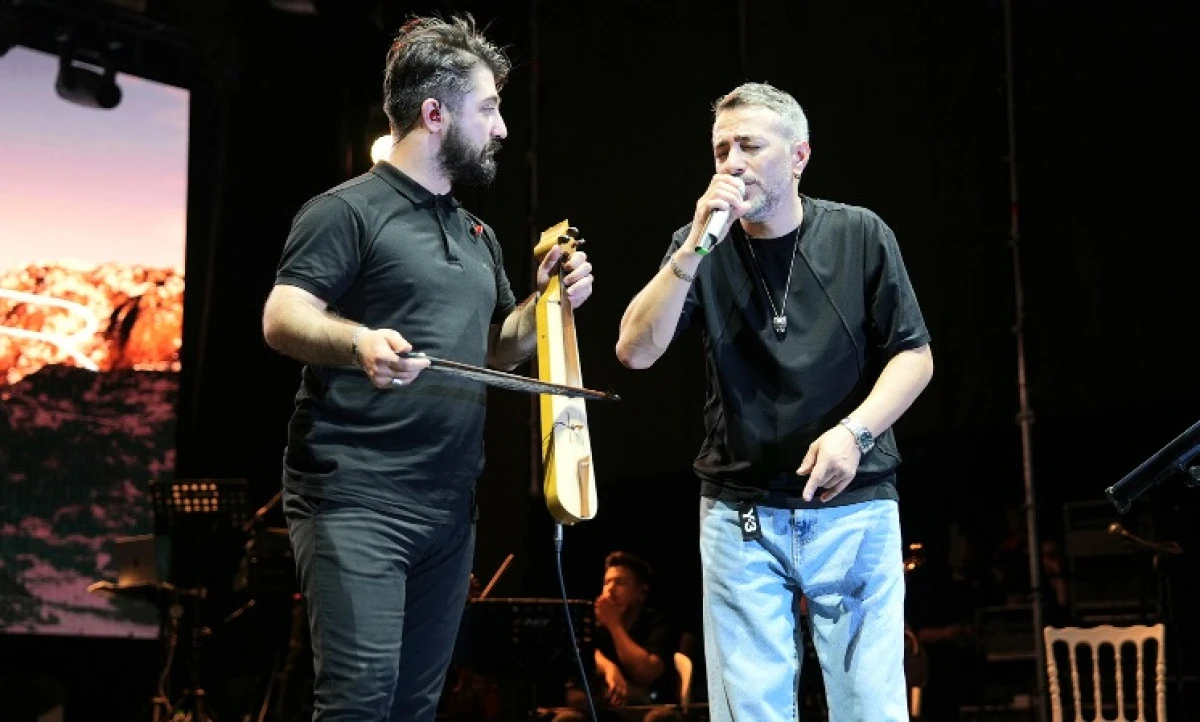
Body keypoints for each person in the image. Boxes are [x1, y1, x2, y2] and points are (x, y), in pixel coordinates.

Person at [261, 14, 594, 722]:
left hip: (449, 503)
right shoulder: (347, 211)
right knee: (360, 701)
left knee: (415, 707)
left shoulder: (477, 235)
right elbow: (282, 316)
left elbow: (494, 347)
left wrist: (545, 304)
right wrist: (359, 342)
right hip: (356, 497)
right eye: (489, 109)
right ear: (435, 115)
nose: (502, 128)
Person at [615, 82, 934, 721]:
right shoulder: (698, 245)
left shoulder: (858, 233)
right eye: (721, 150)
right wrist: (692, 248)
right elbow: (635, 351)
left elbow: (914, 356)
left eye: (750, 146)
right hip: (741, 511)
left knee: (870, 708)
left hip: (853, 506)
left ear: (798, 157)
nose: (731, 164)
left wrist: (855, 433)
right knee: (748, 711)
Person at [553, 552, 681, 722]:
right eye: (607, 582)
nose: (610, 589)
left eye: (620, 583)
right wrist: (609, 668)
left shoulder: (658, 623)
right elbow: (576, 678)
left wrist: (614, 625)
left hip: (647, 709)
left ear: (641, 593)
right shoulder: (592, 625)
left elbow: (645, 673)